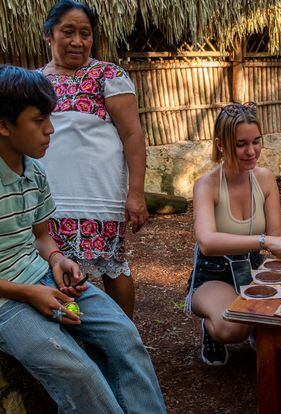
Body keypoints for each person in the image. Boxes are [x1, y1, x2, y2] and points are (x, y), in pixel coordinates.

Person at [0, 64, 166, 413]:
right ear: (4, 125)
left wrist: (58, 260)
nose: (50, 129)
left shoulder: (35, 170)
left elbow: (41, 236)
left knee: (123, 336)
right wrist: (29, 293)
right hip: (7, 304)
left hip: (46, 283)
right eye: (38, 120)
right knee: (78, 370)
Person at [185, 102, 281, 366]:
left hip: (254, 271)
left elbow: (277, 241)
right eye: (241, 144)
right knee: (233, 327)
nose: (251, 151)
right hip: (213, 274)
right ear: (221, 145)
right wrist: (265, 241)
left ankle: (257, 324)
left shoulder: (265, 178)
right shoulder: (206, 185)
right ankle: (214, 330)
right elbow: (208, 242)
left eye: (256, 141)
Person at [39, 0, 147, 318]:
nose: (77, 41)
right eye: (68, 32)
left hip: (98, 194)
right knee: (56, 267)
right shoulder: (34, 82)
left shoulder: (107, 75)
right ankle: (74, 332)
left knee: (113, 266)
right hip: (48, 197)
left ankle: (127, 334)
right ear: (49, 34)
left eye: (85, 33)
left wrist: (136, 193)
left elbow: (133, 135)